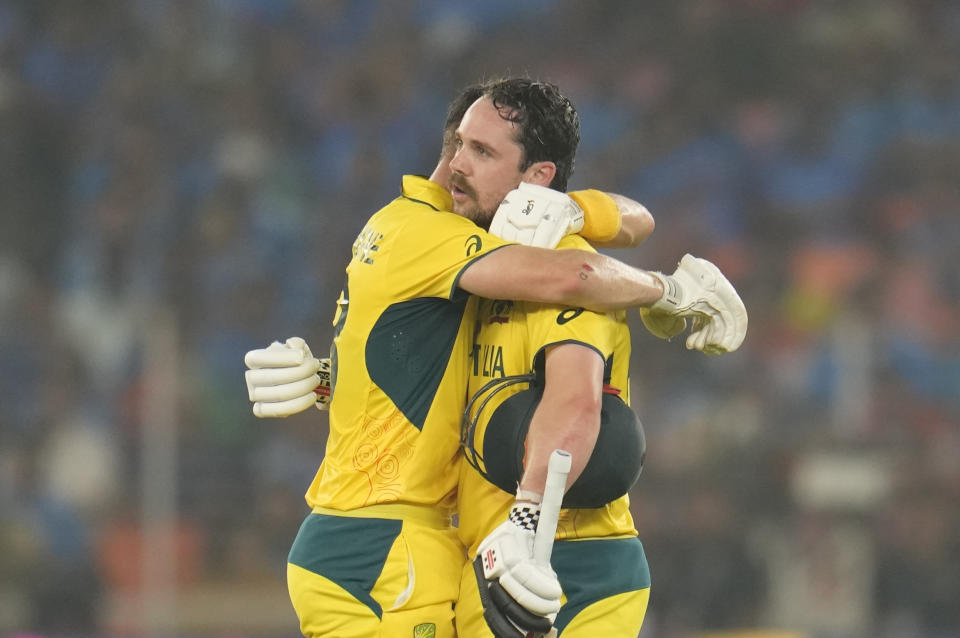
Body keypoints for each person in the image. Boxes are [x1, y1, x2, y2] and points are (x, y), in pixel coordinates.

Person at [244, 78, 746, 638]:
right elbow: (575, 279)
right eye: (458, 145)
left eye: (481, 152)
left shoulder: (507, 266)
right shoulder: (447, 243)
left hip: (556, 560)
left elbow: (573, 400)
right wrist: (671, 291)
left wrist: (332, 382)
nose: (458, 163)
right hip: (413, 549)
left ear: (538, 178)